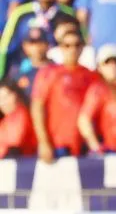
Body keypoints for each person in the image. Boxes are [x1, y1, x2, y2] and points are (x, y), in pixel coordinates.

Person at [30, 23, 99, 161]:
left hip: (85, 146)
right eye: (67, 45)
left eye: (77, 45)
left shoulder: (92, 76)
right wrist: (43, 142)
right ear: (61, 48)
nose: (72, 49)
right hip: (58, 145)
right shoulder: (49, 73)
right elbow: (37, 107)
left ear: (82, 47)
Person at [0, 81, 36, 157]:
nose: (3, 102)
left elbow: (15, 141)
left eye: (6, 97)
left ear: (16, 95)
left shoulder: (21, 114)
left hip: (24, 161)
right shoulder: (5, 119)